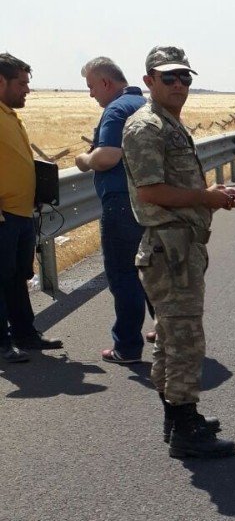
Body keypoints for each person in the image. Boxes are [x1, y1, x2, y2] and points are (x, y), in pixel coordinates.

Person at [123, 46, 235, 458]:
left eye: (185, 78)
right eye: (169, 77)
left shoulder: (169, 123)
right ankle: (185, 426)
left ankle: (177, 419)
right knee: (185, 339)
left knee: (173, 338)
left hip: (181, 245)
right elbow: (150, 191)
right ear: (149, 81)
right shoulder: (146, 127)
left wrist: (209, 198)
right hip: (167, 248)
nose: (179, 85)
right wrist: (205, 198)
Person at [75, 57, 153, 364]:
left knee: (124, 275)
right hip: (154, 200)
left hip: (123, 203)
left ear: (106, 83)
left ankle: (127, 347)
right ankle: (165, 331)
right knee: (153, 270)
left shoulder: (117, 109)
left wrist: (85, 159)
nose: (91, 94)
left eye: (92, 86)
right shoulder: (147, 106)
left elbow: (108, 156)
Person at [0, 53, 63, 363]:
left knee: (15, 278)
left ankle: (25, 334)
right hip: (3, 216)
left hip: (21, 213)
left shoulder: (9, 114)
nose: (27, 89)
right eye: (21, 83)